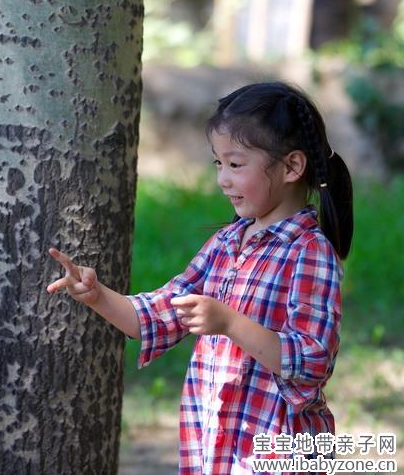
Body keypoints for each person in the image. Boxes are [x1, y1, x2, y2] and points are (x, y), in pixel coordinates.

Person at [47, 82, 353, 474]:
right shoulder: (225, 243)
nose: (223, 179)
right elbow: (159, 314)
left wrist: (229, 323)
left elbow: (311, 359)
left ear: (292, 166)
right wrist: (97, 295)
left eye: (236, 164)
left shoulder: (309, 252)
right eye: (218, 164)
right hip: (216, 449)